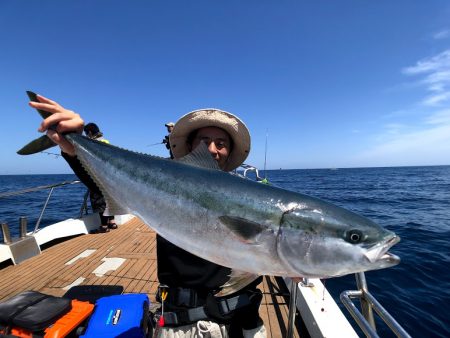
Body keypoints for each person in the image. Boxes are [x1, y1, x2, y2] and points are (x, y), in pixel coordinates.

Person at [30, 95, 266, 338]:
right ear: (191, 147)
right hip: (185, 325)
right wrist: (73, 147)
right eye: (204, 141)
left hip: (246, 321)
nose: (212, 149)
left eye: (221, 143)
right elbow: (116, 183)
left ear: (229, 151)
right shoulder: (169, 184)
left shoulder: (249, 195)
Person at [81, 122, 117, 233]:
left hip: (98, 177)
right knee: (110, 200)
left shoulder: (93, 143)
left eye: (86, 133)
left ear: (90, 132)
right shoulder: (106, 141)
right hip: (109, 177)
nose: (86, 135)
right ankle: (112, 222)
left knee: (99, 202)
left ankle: (104, 226)